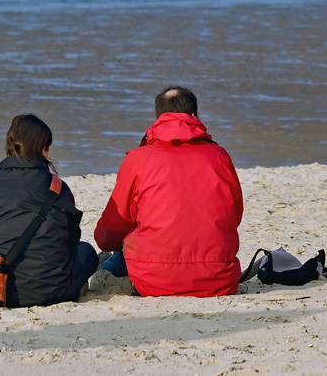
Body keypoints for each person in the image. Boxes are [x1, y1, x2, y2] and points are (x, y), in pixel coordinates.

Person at [95, 86, 244, 297]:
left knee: (118, 254)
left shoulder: (139, 158)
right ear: (195, 115)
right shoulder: (219, 156)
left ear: (159, 117)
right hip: (218, 279)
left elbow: (113, 224)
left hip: (154, 281)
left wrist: (109, 244)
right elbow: (235, 215)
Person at [0, 114, 98, 307]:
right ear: (43, 149)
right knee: (86, 251)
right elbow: (70, 242)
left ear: (10, 146)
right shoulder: (57, 188)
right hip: (52, 291)